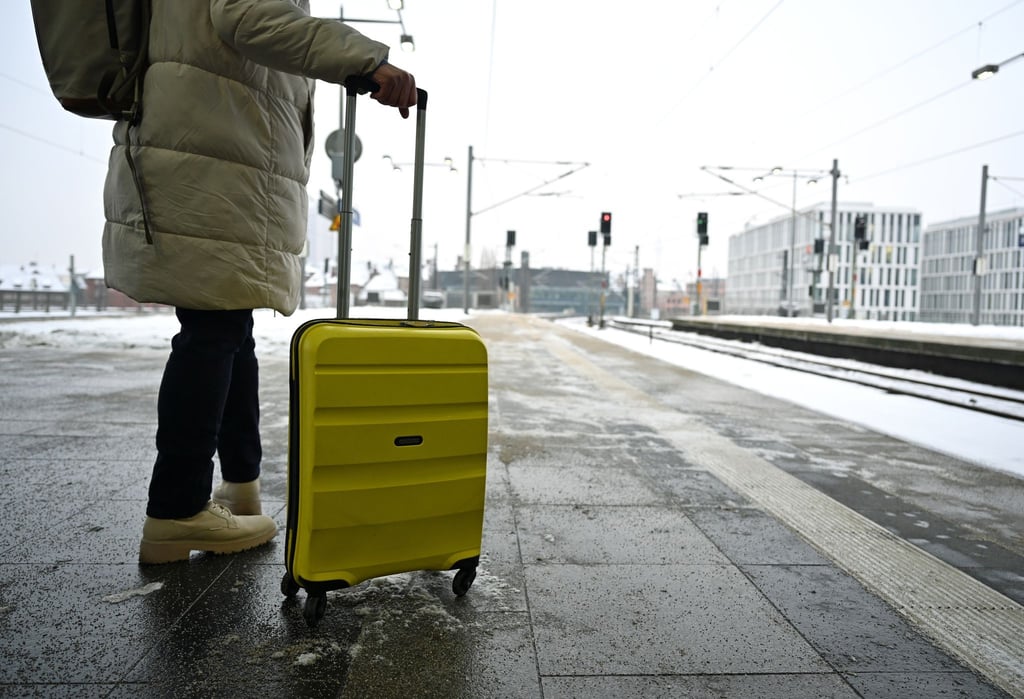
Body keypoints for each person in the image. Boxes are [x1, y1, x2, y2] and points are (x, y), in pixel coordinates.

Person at [100, 0, 417, 564]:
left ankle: (240, 483)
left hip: (221, 147)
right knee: (212, 331)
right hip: (213, 150)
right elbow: (248, 16)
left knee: (228, 323)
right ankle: (175, 510)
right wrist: (367, 61)